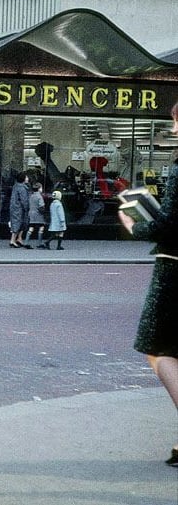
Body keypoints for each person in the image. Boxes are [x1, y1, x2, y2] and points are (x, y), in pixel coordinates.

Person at [118, 101, 178, 467]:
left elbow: (170, 224)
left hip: (174, 270)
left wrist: (135, 225)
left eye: (176, 122)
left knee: (157, 348)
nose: (174, 129)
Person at [9, 172, 31, 248]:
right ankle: (12, 240)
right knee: (18, 223)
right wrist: (27, 208)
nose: (28, 178)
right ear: (23, 179)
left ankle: (19, 238)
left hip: (15, 208)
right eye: (26, 177)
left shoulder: (16, 186)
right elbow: (24, 200)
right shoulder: (22, 188)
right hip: (19, 208)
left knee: (21, 223)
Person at [25, 182, 46, 247]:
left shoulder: (31, 195)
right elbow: (41, 206)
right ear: (39, 189)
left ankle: (26, 242)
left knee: (31, 228)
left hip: (31, 213)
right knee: (41, 227)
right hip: (38, 214)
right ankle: (39, 243)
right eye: (41, 188)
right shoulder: (39, 196)